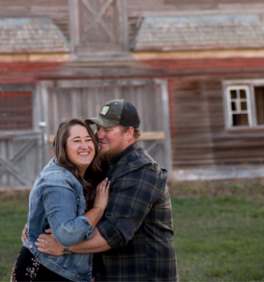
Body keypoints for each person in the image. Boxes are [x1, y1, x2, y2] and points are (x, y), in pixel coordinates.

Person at [33, 100, 179, 282]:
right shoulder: (105, 163)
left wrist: (63, 246)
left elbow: (113, 234)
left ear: (129, 133)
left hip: (142, 275)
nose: (99, 135)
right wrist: (38, 225)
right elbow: (71, 205)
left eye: (107, 130)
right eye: (98, 128)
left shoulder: (141, 172)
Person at [12, 118, 110, 282]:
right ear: (63, 147)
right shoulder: (57, 180)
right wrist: (98, 208)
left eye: (88, 140)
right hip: (45, 270)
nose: (84, 146)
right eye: (76, 141)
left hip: (63, 269)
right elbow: (68, 233)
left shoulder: (81, 173)